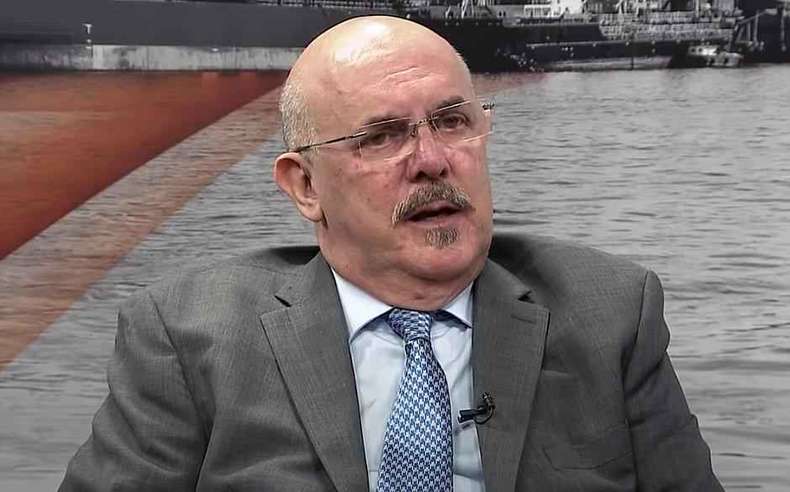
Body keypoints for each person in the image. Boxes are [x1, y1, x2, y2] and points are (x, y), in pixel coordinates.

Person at [60, 15, 722, 492]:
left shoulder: (610, 313)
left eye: (454, 121)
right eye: (381, 136)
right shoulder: (188, 334)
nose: (433, 160)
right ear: (305, 186)